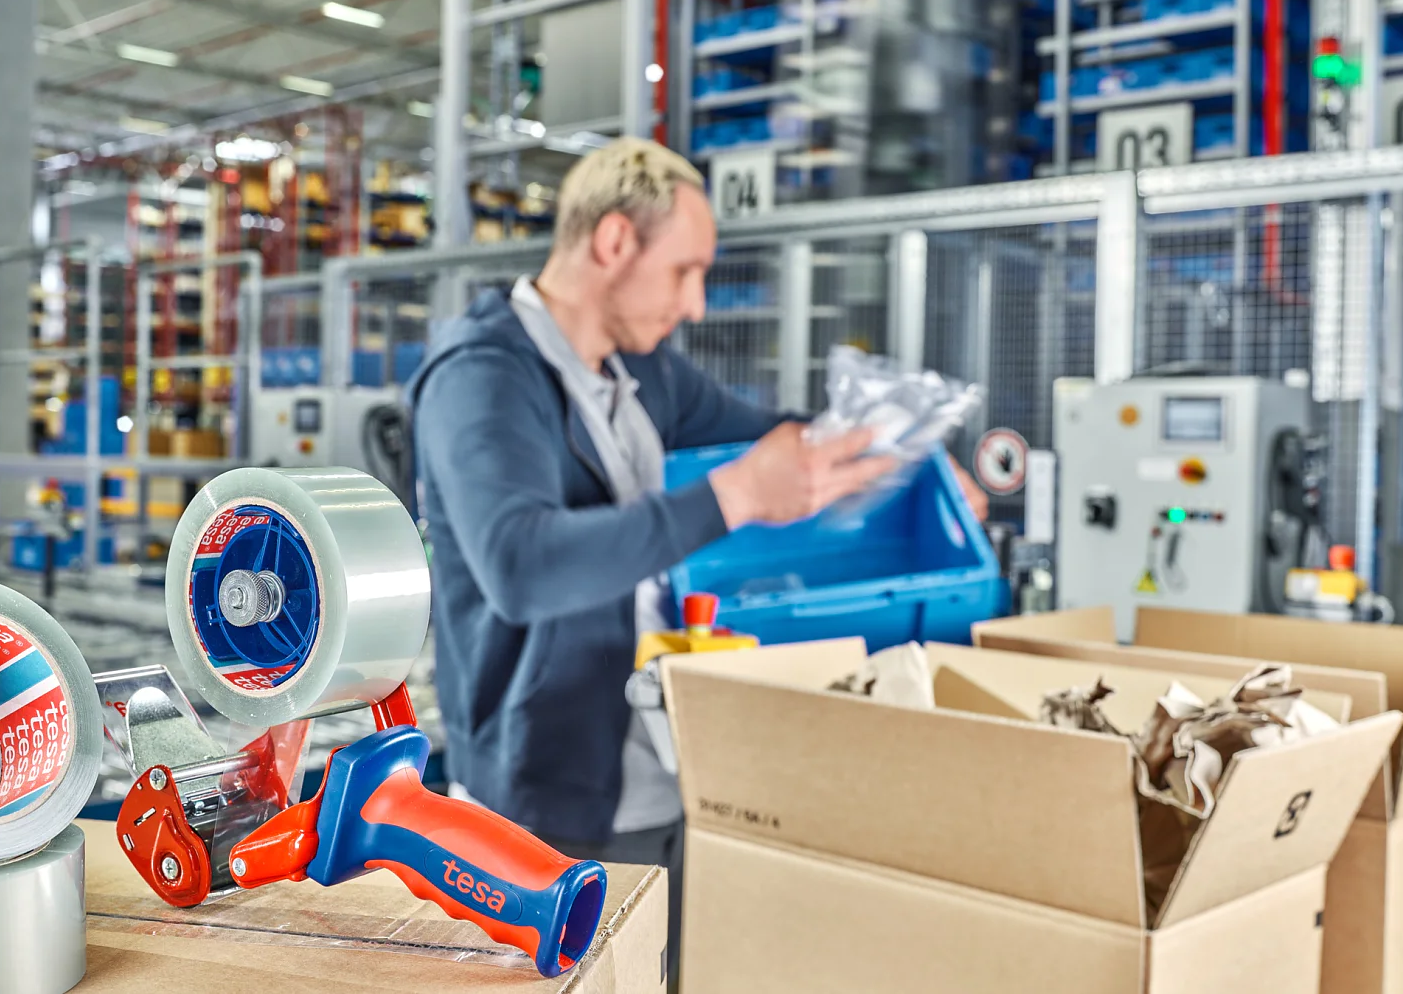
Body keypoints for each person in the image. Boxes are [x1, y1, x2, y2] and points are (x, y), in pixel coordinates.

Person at [405, 138, 987, 971]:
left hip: (660, 762)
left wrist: (914, 467)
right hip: (542, 794)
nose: (698, 304)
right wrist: (736, 496)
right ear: (612, 243)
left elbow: (779, 439)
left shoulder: (640, 373)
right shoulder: (485, 374)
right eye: (685, 270)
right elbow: (520, 566)